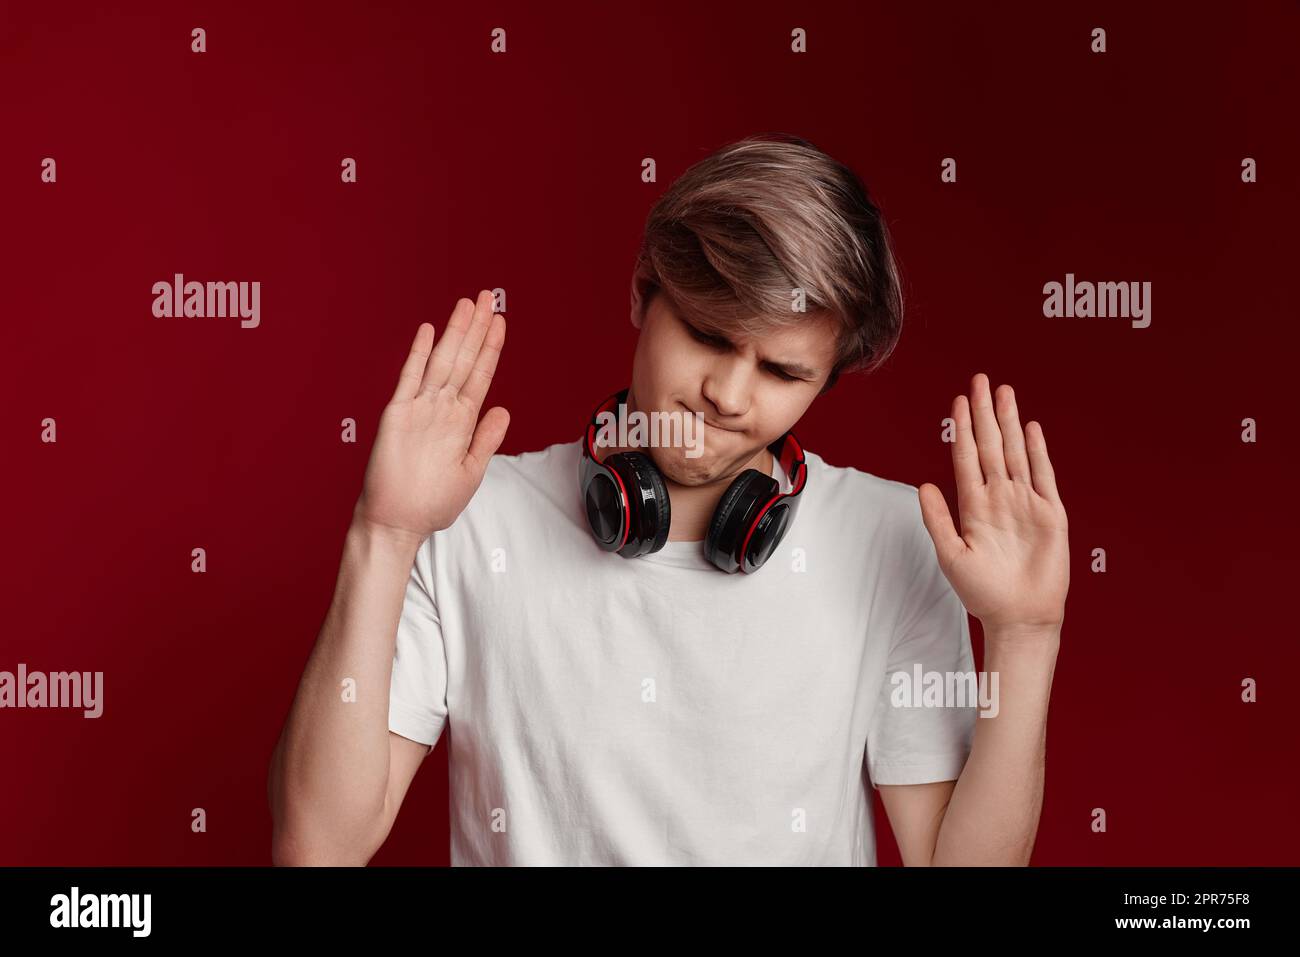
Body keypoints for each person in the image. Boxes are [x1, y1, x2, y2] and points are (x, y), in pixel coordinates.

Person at [267, 134, 1070, 866]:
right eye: (709, 335)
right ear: (642, 295)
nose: (727, 393)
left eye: (782, 372)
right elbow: (320, 846)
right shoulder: (469, 520)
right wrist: (386, 532)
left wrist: (1026, 635)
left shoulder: (891, 539)